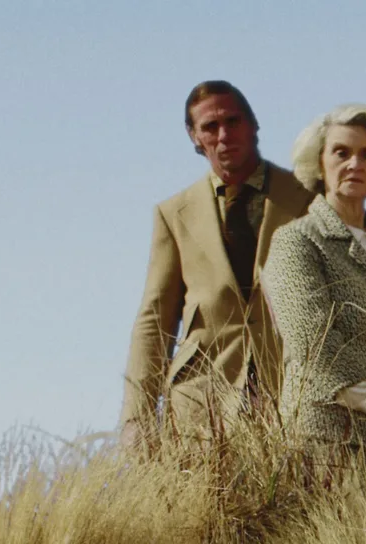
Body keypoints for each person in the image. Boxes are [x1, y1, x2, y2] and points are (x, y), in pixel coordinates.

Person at [122, 81, 313, 444]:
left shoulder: (305, 199)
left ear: (253, 125)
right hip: (201, 404)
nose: (224, 135)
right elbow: (153, 319)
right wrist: (137, 416)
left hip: (290, 397)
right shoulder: (174, 214)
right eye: (210, 127)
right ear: (194, 137)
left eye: (233, 121)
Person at [261, 104, 366, 468]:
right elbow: (314, 343)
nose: (355, 164)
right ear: (319, 162)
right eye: (341, 152)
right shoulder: (296, 241)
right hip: (328, 446)